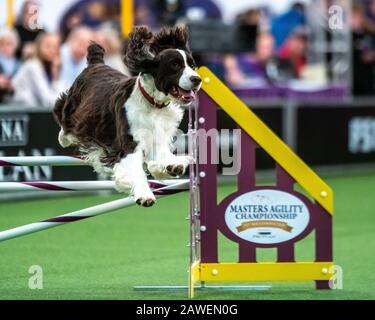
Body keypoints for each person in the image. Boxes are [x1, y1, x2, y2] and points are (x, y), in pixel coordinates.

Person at [12, 32, 63, 107]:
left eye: (55, 47)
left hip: (33, 110)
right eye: (48, 46)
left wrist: (55, 74)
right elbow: (47, 100)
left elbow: (61, 96)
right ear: (38, 46)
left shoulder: (53, 66)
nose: (52, 50)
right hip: (16, 110)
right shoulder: (33, 65)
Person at [0, 28, 20, 103]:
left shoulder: (20, 63)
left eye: (8, 44)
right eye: (2, 44)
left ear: (15, 45)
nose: (5, 47)